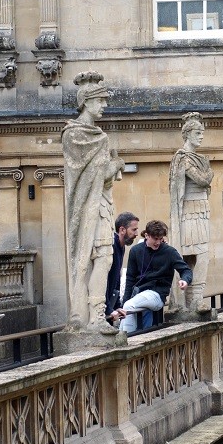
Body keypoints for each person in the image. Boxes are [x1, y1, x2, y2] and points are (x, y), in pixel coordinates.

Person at [62, 71, 125, 334]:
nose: (105, 106)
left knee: (104, 259)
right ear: (87, 102)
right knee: (93, 260)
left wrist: (110, 169)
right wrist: (115, 165)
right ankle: (88, 316)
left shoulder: (99, 135)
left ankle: (97, 315)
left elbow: (102, 178)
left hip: (101, 205)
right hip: (86, 207)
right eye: (101, 101)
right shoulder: (74, 134)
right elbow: (87, 175)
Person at [169, 112, 213, 314]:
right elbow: (203, 180)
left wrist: (207, 172)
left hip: (202, 210)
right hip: (189, 212)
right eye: (197, 132)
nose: (201, 136)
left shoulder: (200, 158)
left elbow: (204, 179)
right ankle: (184, 302)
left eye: (202, 132)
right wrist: (209, 172)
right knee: (189, 256)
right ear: (187, 134)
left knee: (203, 255)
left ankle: (197, 300)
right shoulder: (183, 159)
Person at [115, 220, 194, 333]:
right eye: (155, 238)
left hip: (157, 294)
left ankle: (125, 338)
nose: (158, 242)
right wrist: (124, 304)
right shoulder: (136, 251)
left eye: (160, 238)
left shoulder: (169, 252)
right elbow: (130, 279)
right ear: (147, 235)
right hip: (139, 294)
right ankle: (131, 337)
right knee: (130, 308)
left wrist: (184, 280)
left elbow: (185, 270)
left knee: (128, 306)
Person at [106, 211, 139, 320]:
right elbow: (103, 279)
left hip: (109, 305)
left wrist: (116, 306)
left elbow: (116, 280)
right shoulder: (111, 246)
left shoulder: (121, 246)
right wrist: (109, 309)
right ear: (122, 230)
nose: (137, 233)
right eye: (134, 229)